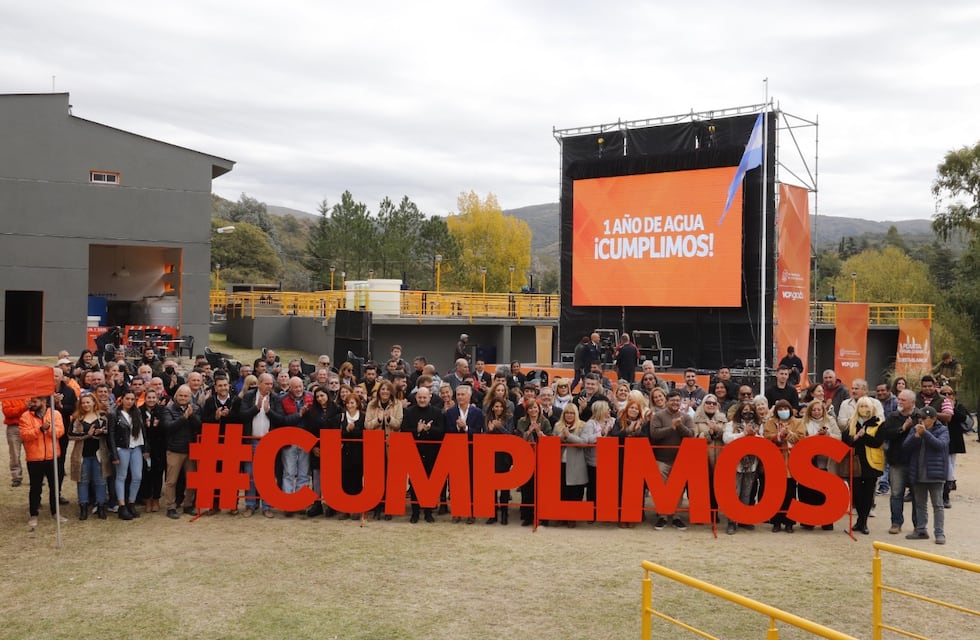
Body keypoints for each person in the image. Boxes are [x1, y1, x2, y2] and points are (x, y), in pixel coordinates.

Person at [649, 391, 696, 530]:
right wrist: (672, 428)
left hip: (680, 460)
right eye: (672, 400)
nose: (675, 403)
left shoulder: (686, 417)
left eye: (677, 400)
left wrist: (679, 425)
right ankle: (662, 515)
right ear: (667, 401)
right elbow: (655, 434)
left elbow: (691, 434)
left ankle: (676, 516)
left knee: (679, 489)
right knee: (661, 488)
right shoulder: (658, 416)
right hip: (661, 459)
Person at [902, 406, 949, 544]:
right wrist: (915, 438)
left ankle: (939, 533)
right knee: (920, 504)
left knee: (938, 505)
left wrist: (925, 434)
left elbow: (941, 445)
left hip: (936, 474)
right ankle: (921, 530)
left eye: (924, 418)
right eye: (920, 418)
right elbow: (905, 447)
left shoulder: (943, 430)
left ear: (933, 419)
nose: (921, 421)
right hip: (918, 473)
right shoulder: (915, 429)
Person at [841, 396, 886, 535]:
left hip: (871, 464)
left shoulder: (879, 423)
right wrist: (856, 437)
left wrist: (863, 436)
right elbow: (846, 441)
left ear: (872, 408)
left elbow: (877, 442)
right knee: (857, 494)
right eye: (861, 406)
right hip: (855, 462)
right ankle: (860, 519)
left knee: (868, 494)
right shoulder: (851, 423)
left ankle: (863, 522)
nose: (864, 409)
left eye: (866, 406)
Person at [20, 396, 66, 527]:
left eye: (35, 402)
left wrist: (48, 429)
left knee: (54, 486)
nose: (32, 404)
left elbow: (60, 431)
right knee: (35, 487)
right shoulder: (25, 416)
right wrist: (40, 429)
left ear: (44, 402)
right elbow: (25, 435)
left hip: (52, 456)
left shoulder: (55, 414)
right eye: (31, 401)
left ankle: (55, 512)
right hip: (35, 457)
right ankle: (33, 514)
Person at [402, 386, 445, 523]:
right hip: (414, 452)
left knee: (431, 483)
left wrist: (429, 429)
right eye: (419, 397)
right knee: (414, 484)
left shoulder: (437, 412)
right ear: (416, 397)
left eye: (424, 397)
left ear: (429, 398)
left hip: (432, 453)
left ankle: (428, 512)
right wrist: (417, 430)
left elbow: (442, 432)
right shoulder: (408, 412)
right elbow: (404, 431)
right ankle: (415, 513)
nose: (422, 400)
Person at [763, 399, 806, 533]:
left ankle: (789, 523)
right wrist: (778, 436)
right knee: (775, 494)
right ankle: (776, 522)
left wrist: (788, 434)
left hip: (792, 463)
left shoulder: (798, 422)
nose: (783, 411)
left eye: (785, 409)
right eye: (780, 409)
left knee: (790, 493)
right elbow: (766, 437)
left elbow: (801, 438)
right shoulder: (770, 422)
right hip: (775, 462)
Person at [879, 389, 919, 535]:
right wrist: (902, 429)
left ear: (912, 402)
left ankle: (918, 525)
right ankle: (896, 523)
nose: (899, 402)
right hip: (897, 461)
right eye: (899, 399)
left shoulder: (919, 415)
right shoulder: (893, 416)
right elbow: (885, 434)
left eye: (903, 400)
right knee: (896, 494)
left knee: (917, 495)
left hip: (916, 462)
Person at [722, 401, 765, 534]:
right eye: (745, 410)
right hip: (735, 464)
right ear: (740, 411)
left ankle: (742, 519)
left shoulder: (759, 425)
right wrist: (743, 434)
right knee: (734, 492)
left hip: (751, 464)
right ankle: (731, 521)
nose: (748, 412)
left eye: (750, 410)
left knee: (746, 494)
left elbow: (762, 440)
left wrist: (754, 435)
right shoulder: (731, 424)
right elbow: (727, 438)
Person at [68, 393, 112, 520]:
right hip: (82, 455)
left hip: (99, 455)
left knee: (101, 481)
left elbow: (108, 431)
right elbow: (70, 435)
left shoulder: (102, 417)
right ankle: (83, 507)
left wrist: (100, 432)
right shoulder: (77, 418)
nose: (86, 405)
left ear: (94, 402)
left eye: (88, 402)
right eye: (83, 403)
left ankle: (101, 507)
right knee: (82, 482)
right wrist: (87, 434)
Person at [161, 385, 203, 519]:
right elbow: (168, 427)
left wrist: (190, 416)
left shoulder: (195, 408)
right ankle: (171, 507)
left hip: (191, 449)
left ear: (190, 397)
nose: (183, 398)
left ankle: (188, 505)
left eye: (186, 396)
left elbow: (200, 427)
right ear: (176, 396)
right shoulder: (168, 410)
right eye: (181, 395)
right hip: (175, 450)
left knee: (192, 480)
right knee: (171, 481)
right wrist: (184, 417)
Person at [799, 399, 841, 531]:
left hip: (826, 463)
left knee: (825, 493)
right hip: (808, 462)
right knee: (807, 492)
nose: (816, 412)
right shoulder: (803, 422)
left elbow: (839, 437)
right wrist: (815, 437)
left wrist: (827, 435)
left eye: (819, 409)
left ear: (823, 410)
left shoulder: (831, 421)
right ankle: (808, 520)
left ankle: (827, 521)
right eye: (814, 409)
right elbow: (799, 439)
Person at [515, 398, 553, 526]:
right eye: (530, 408)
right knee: (527, 488)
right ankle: (527, 516)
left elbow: (550, 438)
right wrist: (529, 431)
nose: (533, 410)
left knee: (542, 488)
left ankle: (543, 516)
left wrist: (540, 433)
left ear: (539, 408)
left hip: (542, 458)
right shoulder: (522, 421)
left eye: (535, 407)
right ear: (527, 410)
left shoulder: (545, 421)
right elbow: (519, 439)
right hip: (526, 457)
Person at [111, 389, 148, 520]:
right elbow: (111, 436)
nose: (130, 402)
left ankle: (131, 503)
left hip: (136, 447)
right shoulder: (115, 414)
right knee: (121, 476)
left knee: (137, 476)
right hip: (122, 448)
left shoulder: (136, 412)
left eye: (132, 399)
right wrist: (114, 454)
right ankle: (122, 505)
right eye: (127, 399)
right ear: (122, 399)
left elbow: (143, 432)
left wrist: (145, 449)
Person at [332, 393, 366, 520]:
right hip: (344, 454)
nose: (350, 405)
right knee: (344, 481)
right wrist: (346, 430)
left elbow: (365, 434)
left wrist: (354, 430)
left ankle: (356, 508)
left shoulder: (363, 417)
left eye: (352, 403)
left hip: (358, 454)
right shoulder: (340, 418)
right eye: (348, 403)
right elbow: (336, 435)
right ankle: (345, 509)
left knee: (356, 481)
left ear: (357, 404)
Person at [555, 403, 588, 527]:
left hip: (576, 464)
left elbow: (584, 442)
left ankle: (572, 517)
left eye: (572, 413)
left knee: (575, 491)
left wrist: (569, 436)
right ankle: (562, 516)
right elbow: (552, 443)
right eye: (567, 413)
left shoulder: (582, 426)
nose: (569, 415)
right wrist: (561, 436)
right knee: (562, 491)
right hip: (561, 463)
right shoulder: (558, 426)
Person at [483, 397, 515, 524]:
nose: (499, 409)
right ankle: (493, 514)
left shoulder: (509, 418)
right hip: (490, 455)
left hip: (504, 456)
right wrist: (489, 430)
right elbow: (483, 437)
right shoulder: (486, 418)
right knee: (491, 486)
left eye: (501, 406)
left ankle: (504, 514)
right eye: (496, 406)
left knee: (504, 486)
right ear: (492, 407)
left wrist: (499, 427)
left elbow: (510, 435)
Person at [940, 386, 967, 509]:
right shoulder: (938, 404)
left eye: (949, 393)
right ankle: (945, 485)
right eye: (943, 393)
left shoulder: (958, 405)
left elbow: (963, 418)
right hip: (941, 437)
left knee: (951, 463)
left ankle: (948, 486)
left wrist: (951, 408)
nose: (947, 396)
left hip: (954, 439)